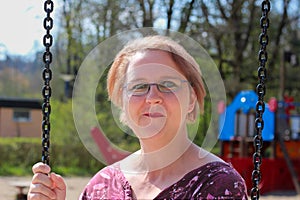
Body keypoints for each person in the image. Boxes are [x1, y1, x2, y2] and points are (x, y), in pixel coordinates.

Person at [28, 35, 248, 199]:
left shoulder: (218, 186)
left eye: (168, 84)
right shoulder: (101, 186)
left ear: (191, 99)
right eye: (139, 86)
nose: (153, 97)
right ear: (122, 101)